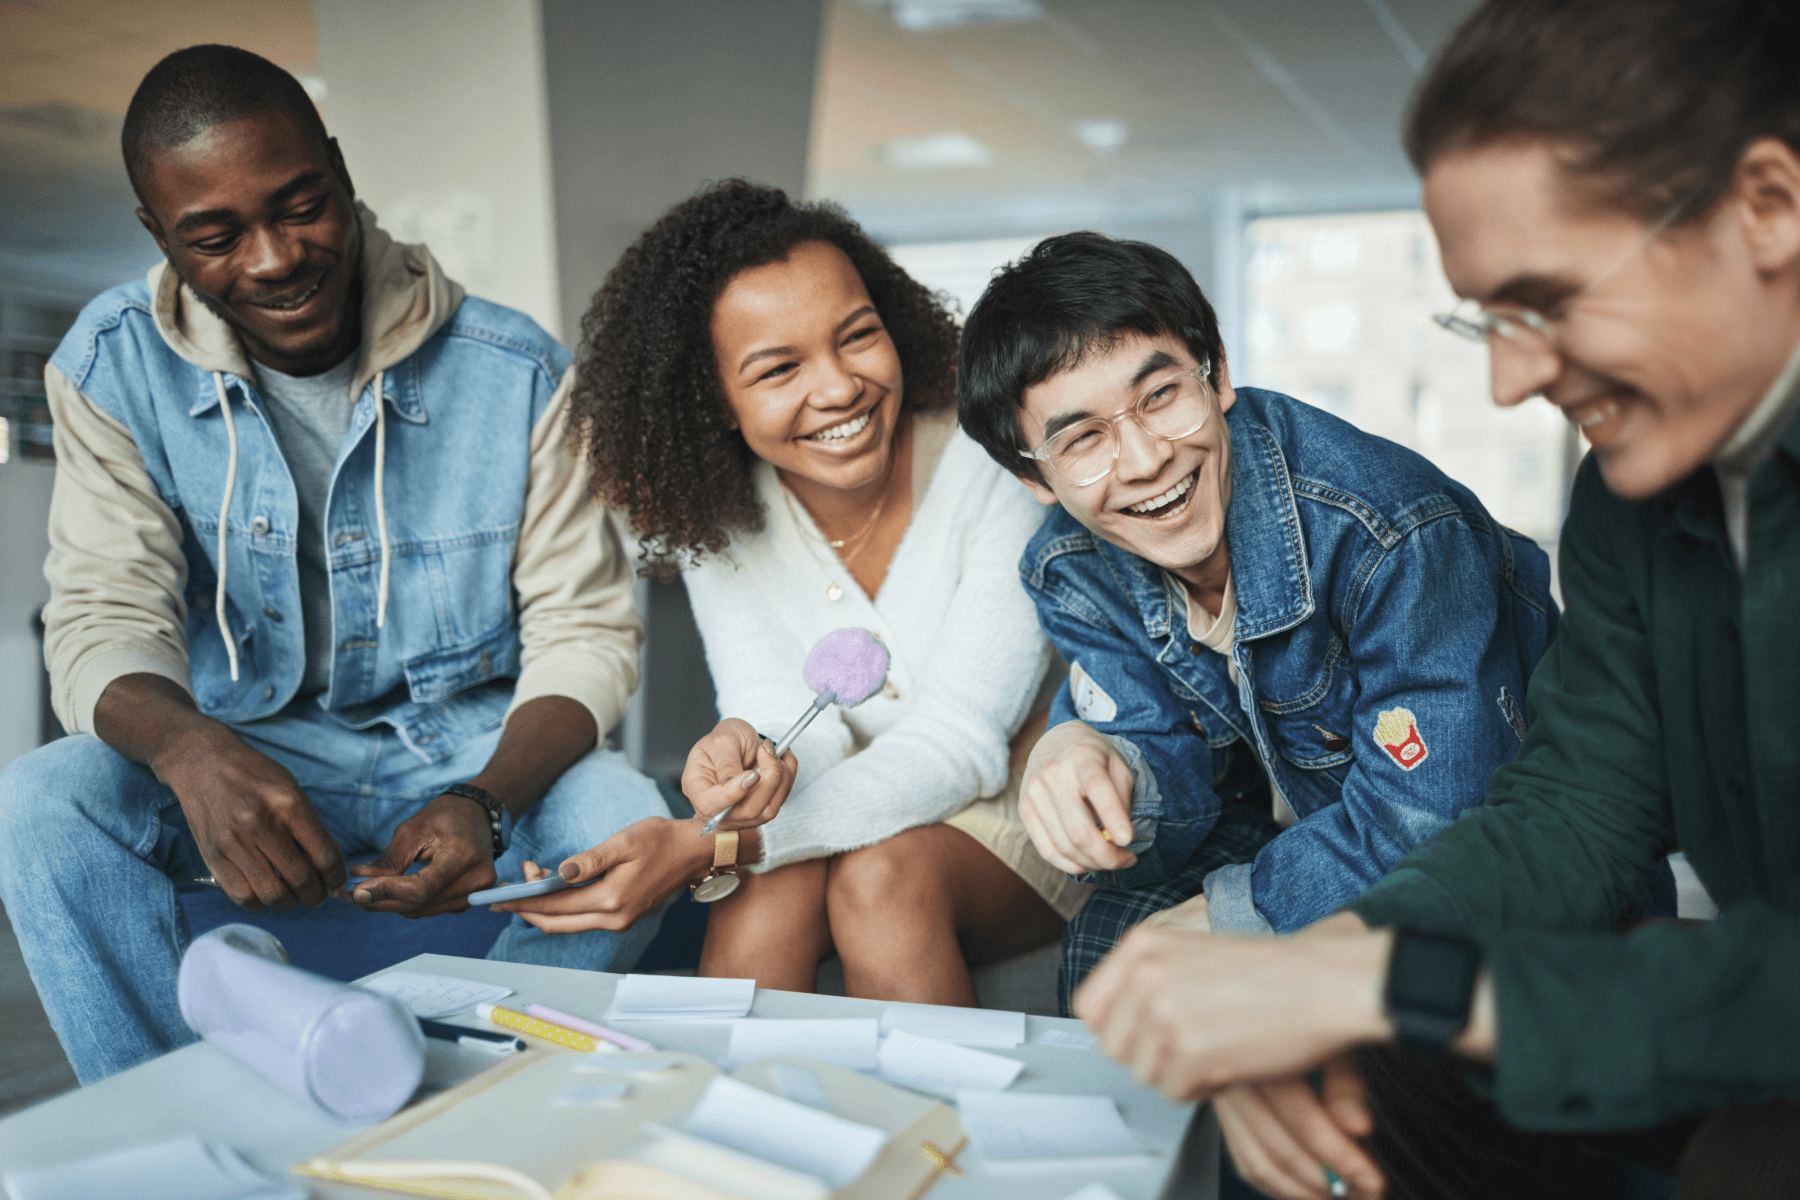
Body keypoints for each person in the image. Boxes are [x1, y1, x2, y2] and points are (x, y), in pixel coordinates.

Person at [1073, 2, 1800, 1198]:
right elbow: (1578, 807)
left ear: (1767, 208)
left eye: (1549, 301)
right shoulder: (1633, 500)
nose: (1513, 381)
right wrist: (1318, 982)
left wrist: (1377, 985)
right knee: (1352, 1079)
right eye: (1488, 319)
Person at [0, 45, 667, 1084]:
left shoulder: (516, 370)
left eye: (300, 205)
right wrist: (190, 752)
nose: (271, 259)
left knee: (627, 818)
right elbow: (100, 618)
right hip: (242, 751)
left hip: (467, 748)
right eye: (213, 237)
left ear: (341, 169)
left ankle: (495, 1091)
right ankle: (183, 1115)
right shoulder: (108, 367)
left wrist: (486, 801)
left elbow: (584, 633)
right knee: (43, 802)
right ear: (157, 232)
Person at [490, 180, 1085, 1004]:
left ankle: (940, 1130)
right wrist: (750, 759)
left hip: (1024, 800)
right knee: (770, 880)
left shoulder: (993, 468)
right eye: (778, 369)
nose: (839, 387)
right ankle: (725, 1120)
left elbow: (960, 741)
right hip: (859, 799)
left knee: (874, 879)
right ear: (715, 401)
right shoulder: (716, 514)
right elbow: (788, 710)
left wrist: (707, 845)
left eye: (857, 337)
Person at [956, 231, 1560, 1015]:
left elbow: (1436, 819)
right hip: (1290, 825)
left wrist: (1229, 919)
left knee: (1259, 979)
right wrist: (1086, 755)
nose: (1144, 460)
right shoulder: (1070, 568)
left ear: (1219, 377)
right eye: (1083, 439)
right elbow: (1168, 806)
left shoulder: (1391, 532)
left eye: (1160, 395)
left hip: (1497, 856)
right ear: (1032, 475)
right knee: (1111, 944)